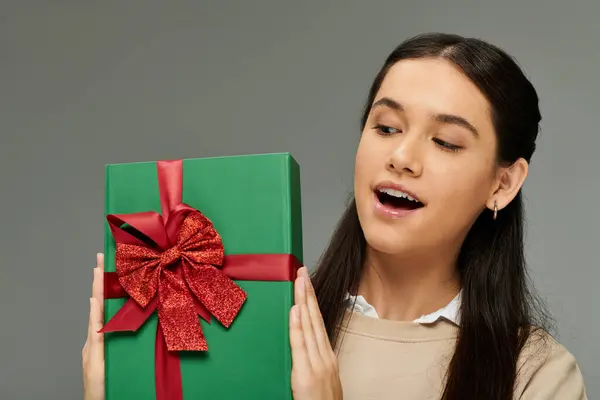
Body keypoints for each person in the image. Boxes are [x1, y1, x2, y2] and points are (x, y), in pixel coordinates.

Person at [82, 32, 588, 399]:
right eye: (386, 127)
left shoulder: (538, 377)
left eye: (445, 141)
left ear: (502, 183)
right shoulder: (251, 324)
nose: (402, 158)